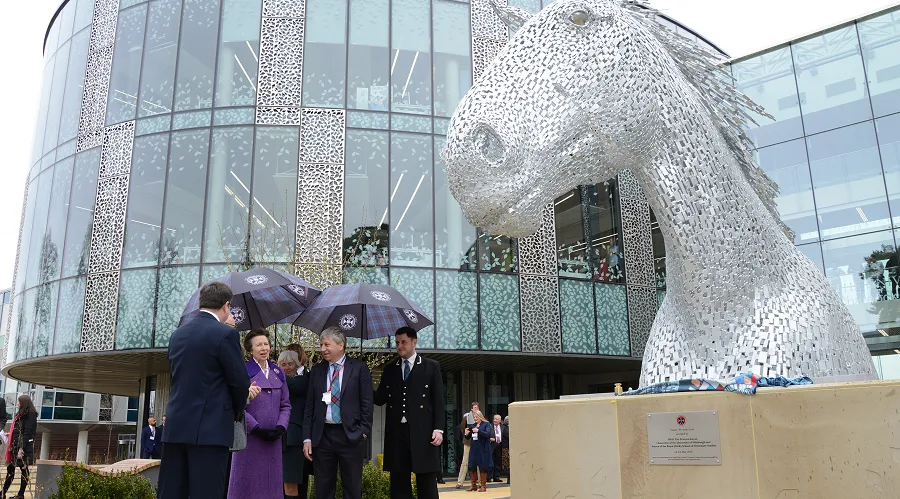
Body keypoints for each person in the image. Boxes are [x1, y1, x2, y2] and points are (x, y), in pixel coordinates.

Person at [158, 282, 259, 499]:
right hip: (210, 431)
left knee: (173, 491)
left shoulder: (178, 335)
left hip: (176, 427)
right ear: (225, 305)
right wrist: (236, 411)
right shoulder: (225, 334)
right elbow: (239, 382)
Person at [374, 327, 445, 499]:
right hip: (397, 435)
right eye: (397, 343)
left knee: (426, 483)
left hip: (424, 433)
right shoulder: (390, 369)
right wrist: (361, 383)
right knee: (398, 485)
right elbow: (380, 398)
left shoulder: (430, 366)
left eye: (404, 342)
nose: (400, 346)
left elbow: (438, 400)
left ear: (415, 341)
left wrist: (438, 429)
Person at [303, 327, 373, 499]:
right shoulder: (318, 370)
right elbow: (309, 406)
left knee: (352, 487)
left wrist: (362, 431)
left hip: (350, 434)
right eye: (321, 345)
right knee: (323, 487)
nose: (322, 349)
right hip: (323, 435)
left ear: (341, 345)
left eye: (327, 344)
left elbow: (367, 403)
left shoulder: (359, 368)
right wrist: (307, 437)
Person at [228, 329, 291, 499]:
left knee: (271, 485)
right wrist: (255, 427)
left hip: (274, 439)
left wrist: (281, 426)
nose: (264, 348)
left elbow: (285, 405)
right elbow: (237, 404)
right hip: (250, 438)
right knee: (247, 485)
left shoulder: (279, 373)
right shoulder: (242, 371)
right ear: (250, 350)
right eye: (259, 345)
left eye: (266, 344)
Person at [279, 346, 312, 499]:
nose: (287, 368)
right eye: (283, 364)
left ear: (297, 364)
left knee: (292, 483)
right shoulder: (277, 382)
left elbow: (292, 385)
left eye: (290, 363)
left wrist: (273, 370)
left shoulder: (303, 381)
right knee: (282, 483)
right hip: (277, 438)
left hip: (293, 439)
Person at [2, 394, 37, 499]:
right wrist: (11, 434)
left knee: (23, 470)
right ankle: (3, 492)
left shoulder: (30, 414)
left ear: (23, 403)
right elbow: (19, 430)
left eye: (18, 401)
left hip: (23, 448)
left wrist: (21, 448)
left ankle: (20, 494)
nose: (17, 403)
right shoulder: (21, 414)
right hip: (16, 447)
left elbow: (27, 432)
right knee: (11, 469)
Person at [464, 410, 493, 493]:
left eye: (477, 417)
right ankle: (473, 485)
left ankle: (483, 486)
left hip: (483, 448)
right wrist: (466, 434)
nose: (475, 419)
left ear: (480, 417)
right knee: (471, 465)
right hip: (474, 448)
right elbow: (468, 437)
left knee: (482, 466)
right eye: (474, 417)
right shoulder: (473, 425)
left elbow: (488, 434)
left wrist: (479, 431)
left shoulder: (486, 424)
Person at [456, 402, 481, 489]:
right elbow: (463, 427)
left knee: (478, 462)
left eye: (477, 407)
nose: (476, 409)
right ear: (471, 409)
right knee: (465, 461)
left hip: (477, 441)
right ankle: (460, 481)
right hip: (468, 441)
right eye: (474, 407)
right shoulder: (467, 417)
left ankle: (480, 482)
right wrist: (466, 432)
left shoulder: (480, 417)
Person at [489, 415, 508, 482]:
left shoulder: (503, 427)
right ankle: (489, 477)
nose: (495, 420)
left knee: (498, 462)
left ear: (500, 421)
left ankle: (496, 477)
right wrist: (489, 439)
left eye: (497, 419)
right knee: (490, 461)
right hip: (491, 445)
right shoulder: (490, 426)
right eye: (494, 419)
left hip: (500, 445)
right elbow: (486, 435)